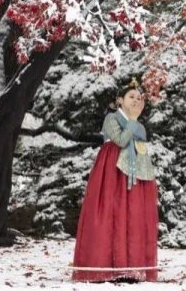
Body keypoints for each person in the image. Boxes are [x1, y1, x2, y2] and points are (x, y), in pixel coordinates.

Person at [72, 77, 158, 283]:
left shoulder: (140, 126)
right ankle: (102, 268)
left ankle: (130, 268)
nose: (136, 100)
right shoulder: (112, 118)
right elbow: (119, 140)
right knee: (108, 213)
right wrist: (133, 120)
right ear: (120, 100)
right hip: (111, 171)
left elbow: (141, 149)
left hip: (133, 173)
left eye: (139, 98)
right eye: (131, 97)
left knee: (132, 215)